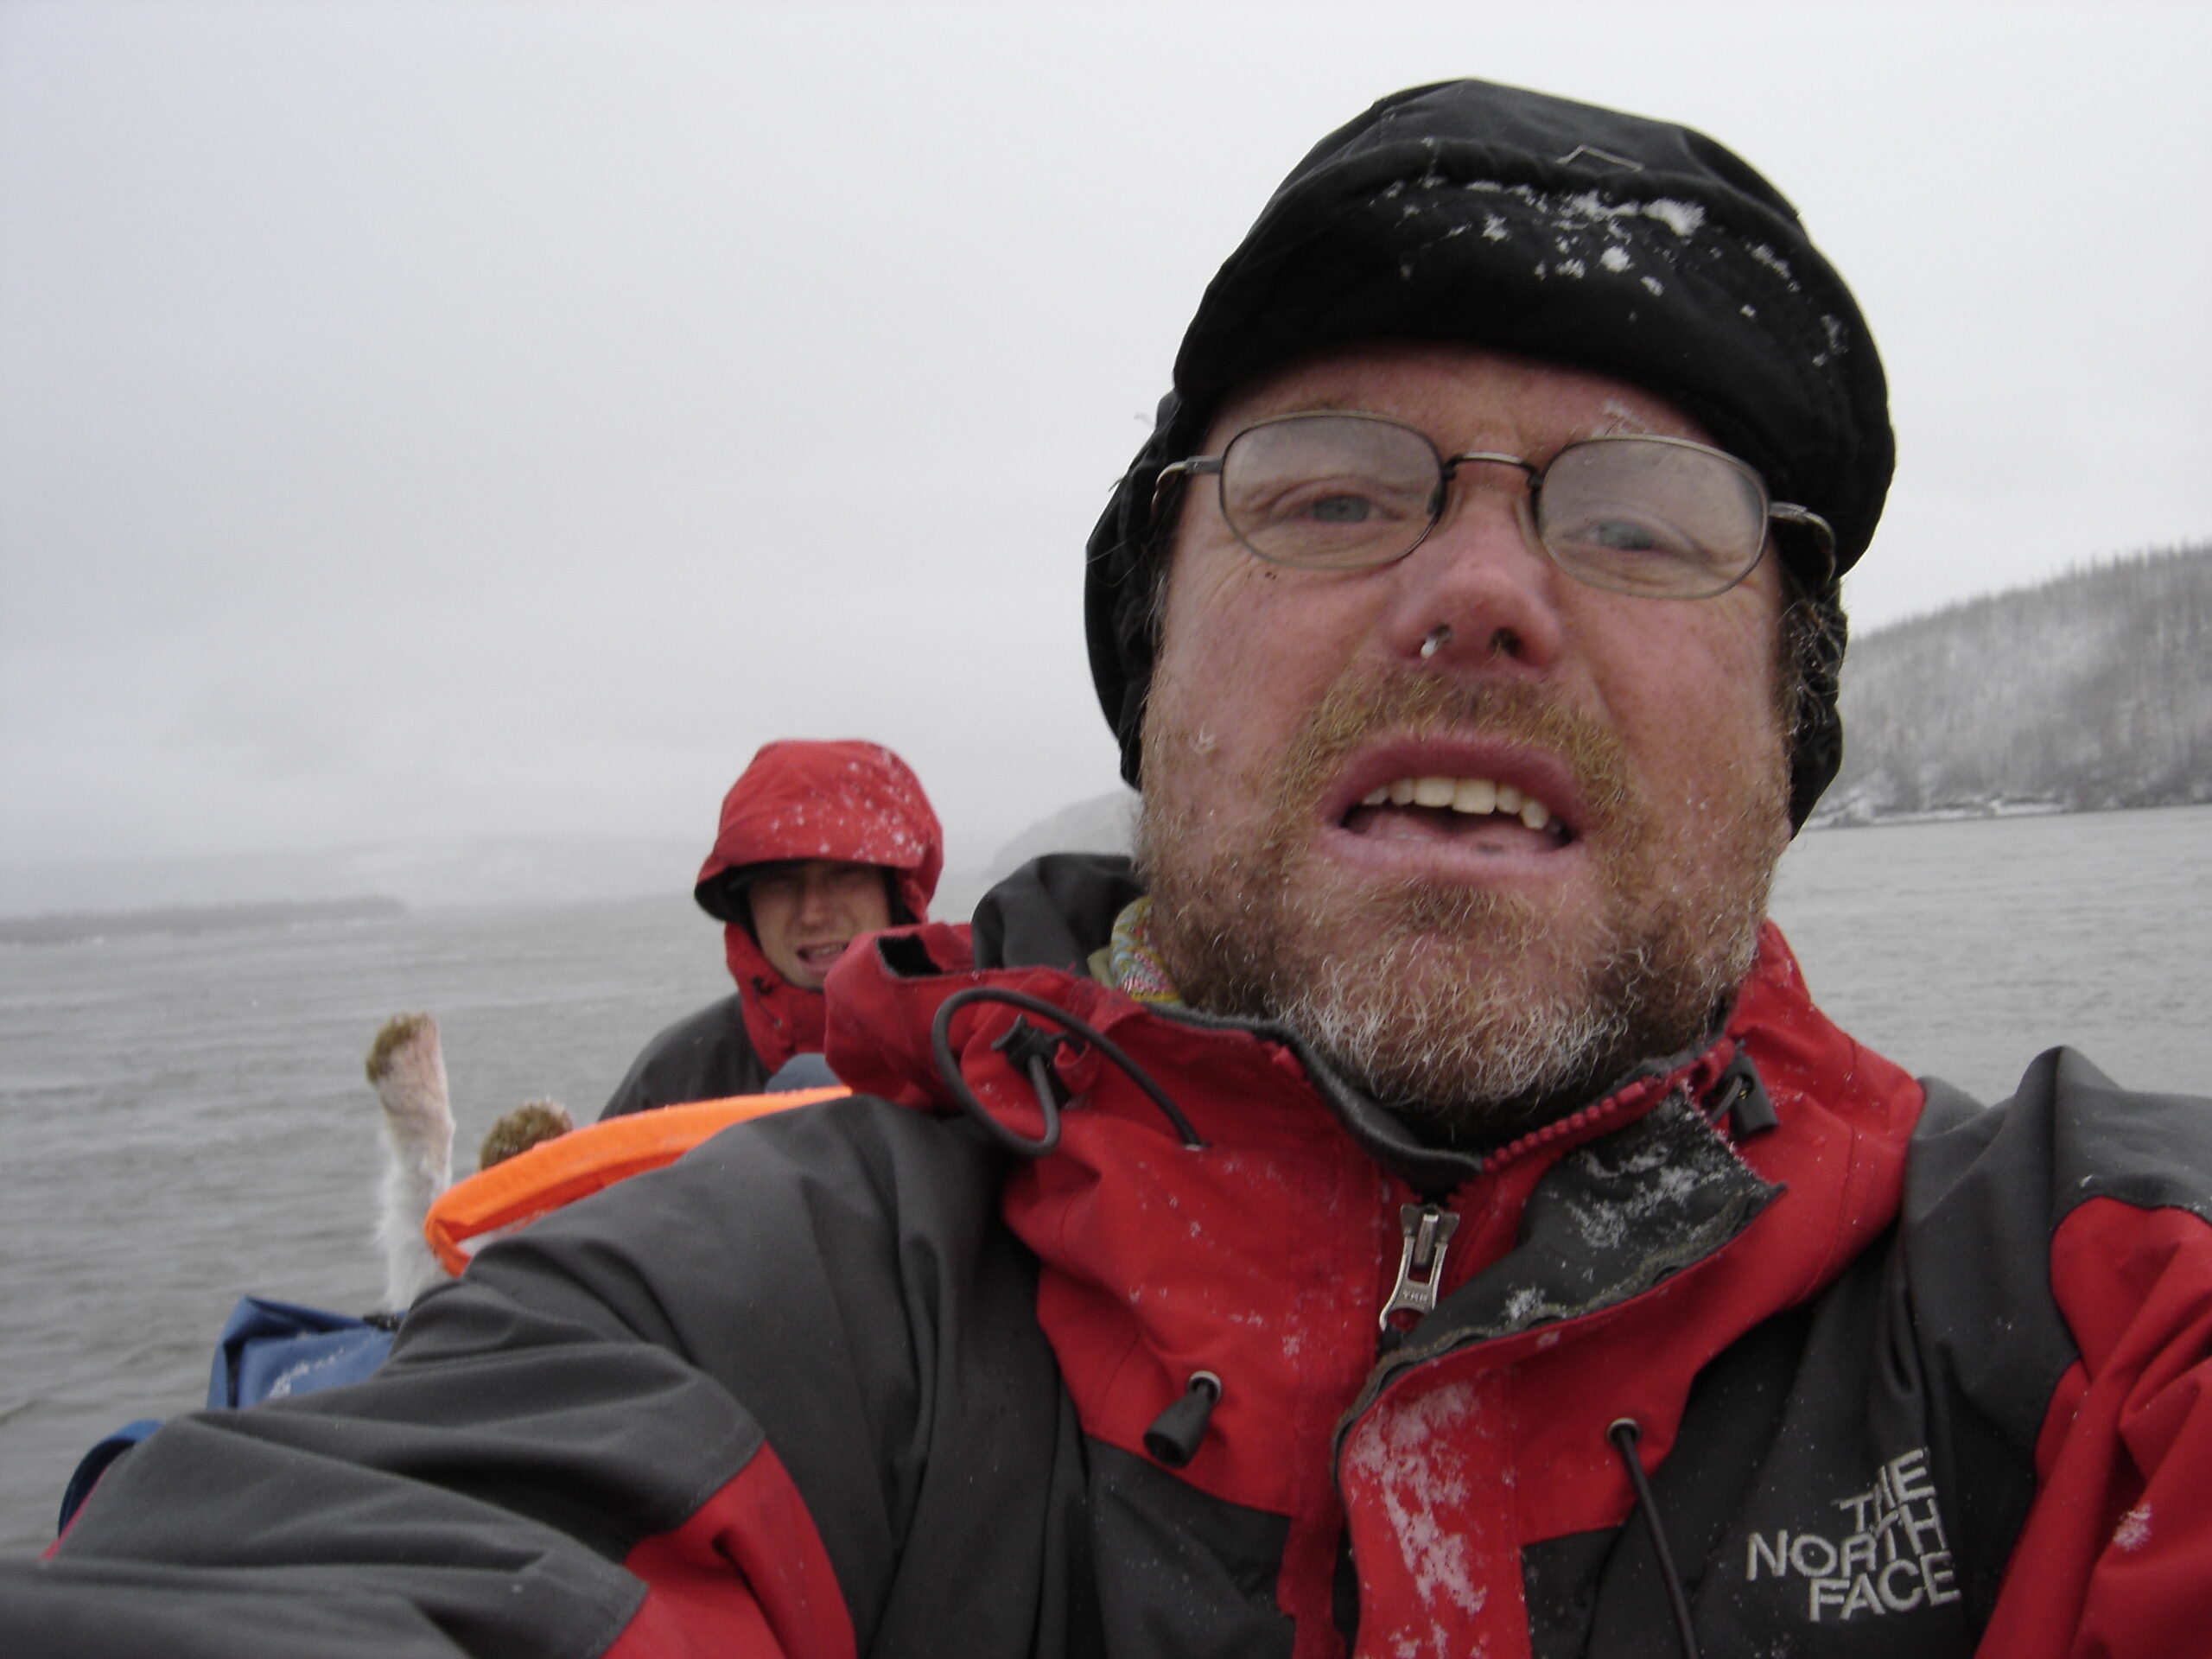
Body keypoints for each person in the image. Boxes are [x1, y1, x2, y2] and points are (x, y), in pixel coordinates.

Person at [15, 78, 2211, 1659]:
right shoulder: (751, 1306)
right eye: (1329, 495)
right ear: (1152, 678)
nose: (1478, 590)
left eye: (1639, 521)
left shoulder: (2090, 1307)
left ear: (1784, 723)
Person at [599, 737, 943, 1115]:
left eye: (846, 876)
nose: (813, 914)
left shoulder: (972, 1048)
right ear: (744, 908)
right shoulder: (671, 1079)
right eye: (780, 883)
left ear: (899, 895)